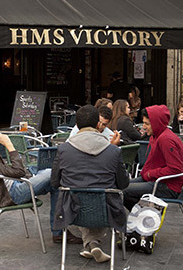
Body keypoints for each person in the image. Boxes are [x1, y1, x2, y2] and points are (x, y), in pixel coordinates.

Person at [0, 118, 82, 244]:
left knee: (54, 181)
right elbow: (19, 172)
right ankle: (63, 227)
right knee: (51, 173)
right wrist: (10, 146)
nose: (1, 134)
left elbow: (13, 173)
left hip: (11, 186)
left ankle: (59, 231)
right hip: (10, 195)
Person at [51, 105, 128, 263]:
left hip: (71, 209)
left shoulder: (64, 150)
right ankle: (92, 243)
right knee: (96, 195)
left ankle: (91, 244)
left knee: (83, 195)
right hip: (107, 209)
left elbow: (54, 182)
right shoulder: (113, 151)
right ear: (97, 125)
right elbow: (123, 183)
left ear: (77, 125)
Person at [122, 106, 183, 211]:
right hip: (156, 180)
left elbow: (175, 168)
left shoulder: (165, 139)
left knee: (122, 191)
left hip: (167, 186)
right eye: (144, 123)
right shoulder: (158, 135)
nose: (144, 127)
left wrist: (150, 174)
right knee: (120, 188)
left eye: (147, 124)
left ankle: (142, 216)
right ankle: (142, 216)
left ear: (156, 123)